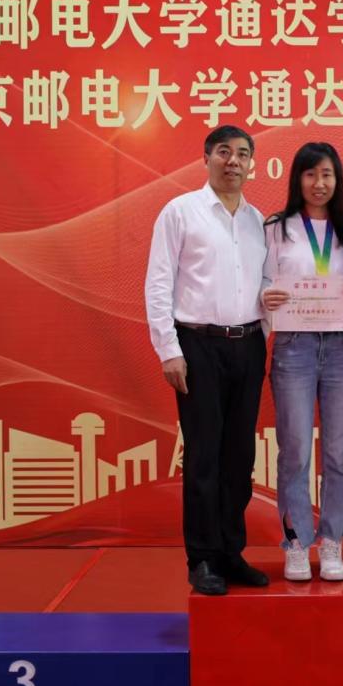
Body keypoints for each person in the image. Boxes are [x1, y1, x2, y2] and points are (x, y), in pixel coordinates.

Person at [145, 125, 270, 596]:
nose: (233, 161)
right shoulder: (180, 212)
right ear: (206, 158)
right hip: (197, 344)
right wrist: (169, 350)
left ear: (251, 164)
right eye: (224, 152)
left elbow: (267, 286)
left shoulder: (259, 222)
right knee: (203, 456)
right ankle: (201, 558)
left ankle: (230, 553)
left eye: (242, 154)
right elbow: (159, 283)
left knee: (239, 456)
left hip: (249, 344)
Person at [260, 143, 343, 582]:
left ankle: (333, 541)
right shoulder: (276, 227)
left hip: (340, 346)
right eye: (310, 174)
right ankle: (298, 543)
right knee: (296, 450)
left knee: (339, 451)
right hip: (294, 345)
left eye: (327, 175)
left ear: (338, 179)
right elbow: (262, 283)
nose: (319, 184)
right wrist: (265, 297)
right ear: (297, 179)